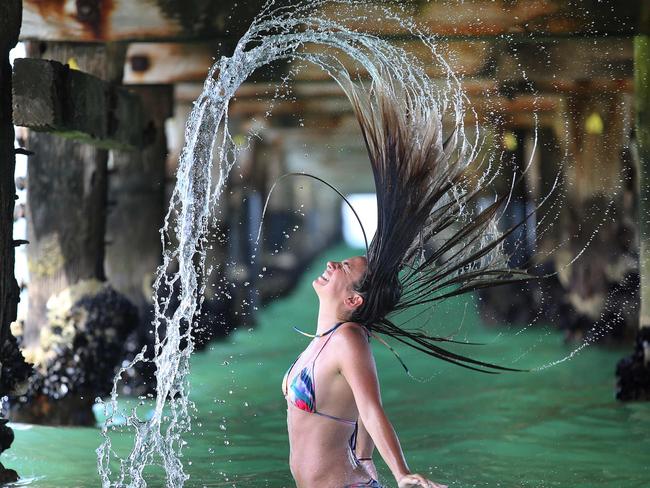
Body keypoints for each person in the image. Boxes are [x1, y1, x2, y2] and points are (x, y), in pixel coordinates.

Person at [283, 256, 447, 487]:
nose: (331, 263)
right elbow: (357, 402)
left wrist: (401, 473)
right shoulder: (323, 340)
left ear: (352, 299)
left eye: (345, 267)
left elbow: (370, 408)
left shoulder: (348, 338)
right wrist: (363, 455)